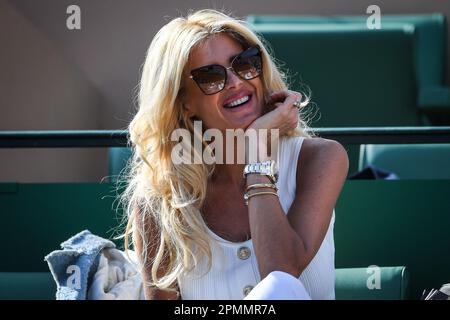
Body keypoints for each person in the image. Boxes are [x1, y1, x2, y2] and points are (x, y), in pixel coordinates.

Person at [118, 9, 349, 300]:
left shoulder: (320, 159)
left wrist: (256, 153)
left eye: (245, 63)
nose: (236, 81)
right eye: (211, 77)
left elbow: (282, 273)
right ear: (184, 102)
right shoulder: (159, 199)